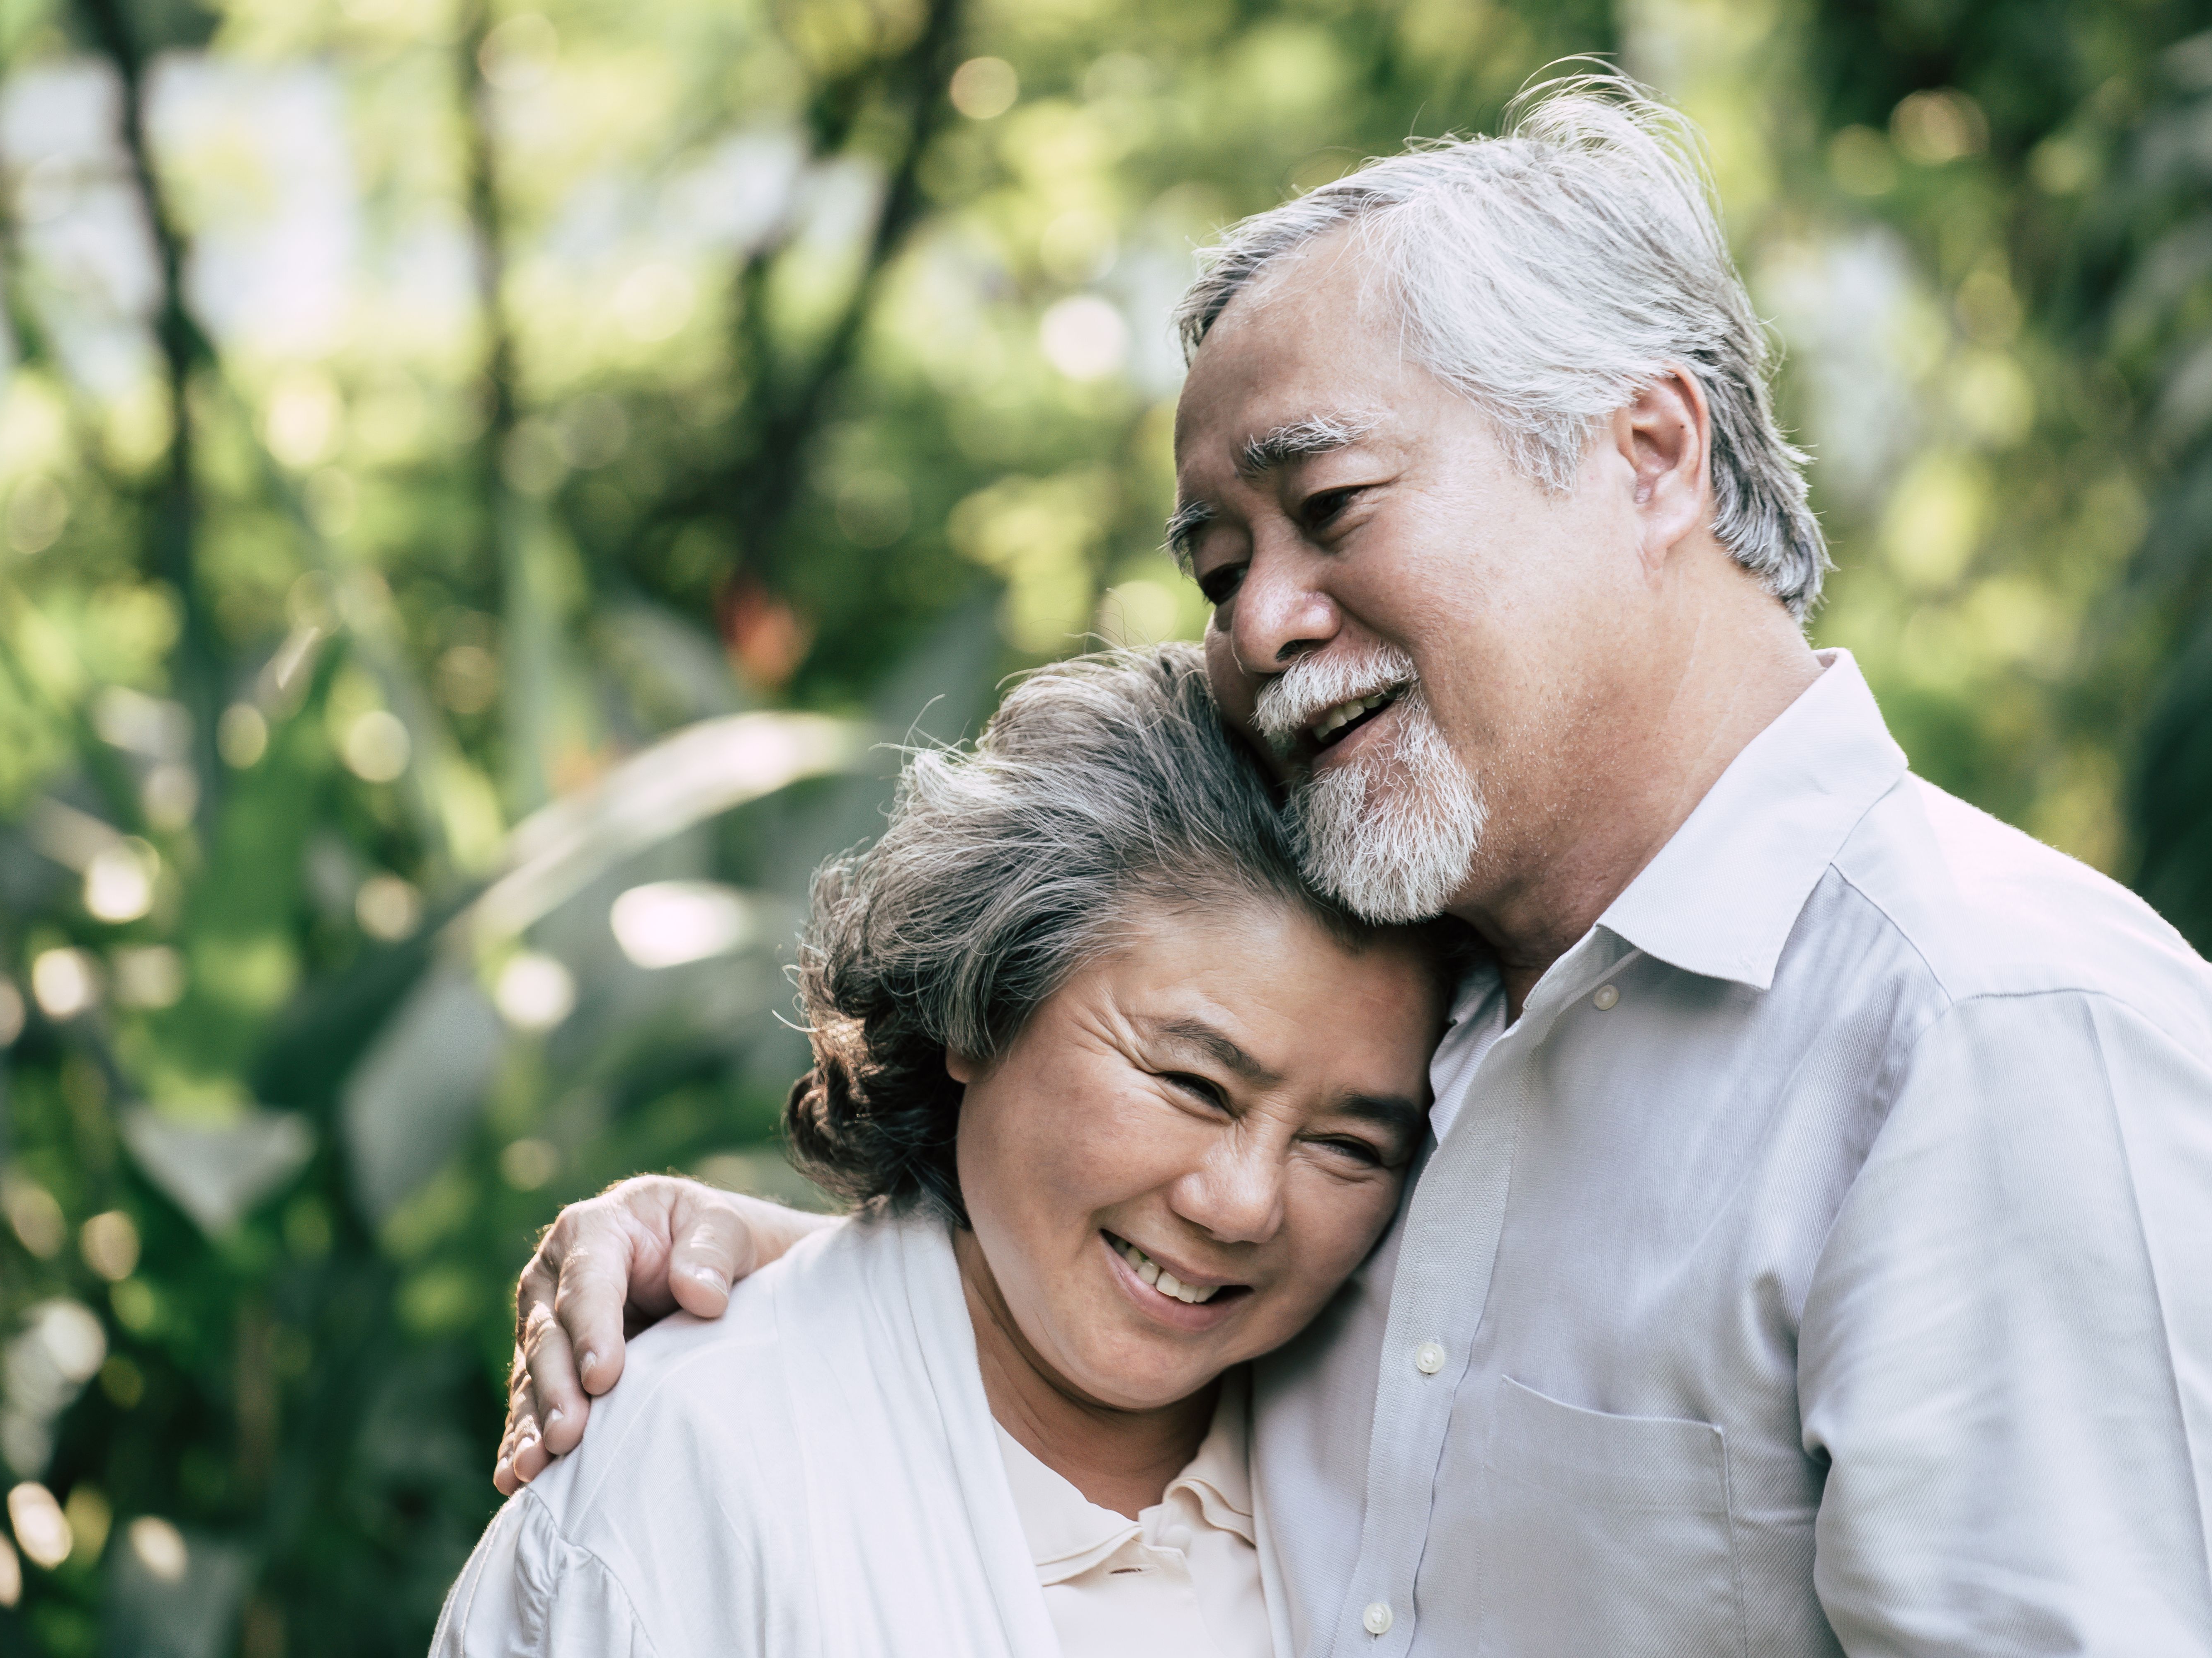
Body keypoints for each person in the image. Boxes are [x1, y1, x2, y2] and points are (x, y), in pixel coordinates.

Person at [497, 77, 2212, 1653]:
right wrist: (801, 1298)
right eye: (1217, 567)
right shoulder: (1422, 1011)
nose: (1259, 621)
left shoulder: (1992, 1032)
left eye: (1330, 504)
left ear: (1651, 453)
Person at [435, 646, 1453, 1656]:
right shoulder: (694, 1475)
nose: (1242, 1204)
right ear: (980, 1005)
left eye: (1346, 1144)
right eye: (1192, 1084)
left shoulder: (1415, 1471)